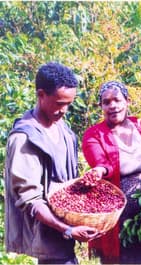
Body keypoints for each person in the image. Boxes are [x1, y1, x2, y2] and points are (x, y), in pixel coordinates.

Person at [4, 62, 100, 264]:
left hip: (65, 242)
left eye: (69, 104)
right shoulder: (24, 138)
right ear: (41, 95)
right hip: (47, 239)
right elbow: (30, 199)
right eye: (59, 103)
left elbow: (65, 183)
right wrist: (68, 229)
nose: (64, 110)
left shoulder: (62, 129)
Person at [82, 80, 141, 264]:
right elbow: (102, 162)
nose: (112, 106)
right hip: (121, 218)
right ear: (101, 106)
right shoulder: (94, 134)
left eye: (117, 100)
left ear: (127, 101)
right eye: (106, 102)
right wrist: (98, 171)